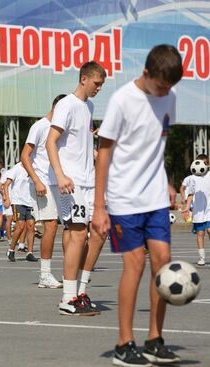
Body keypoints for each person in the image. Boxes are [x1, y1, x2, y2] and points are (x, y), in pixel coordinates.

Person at [92, 44, 183, 366]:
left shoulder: (169, 97)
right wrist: (99, 206)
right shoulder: (122, 101)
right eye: (160, 86)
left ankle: (154, 339)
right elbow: (103, 153)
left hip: (155, 196)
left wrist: (168, 182)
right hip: (124, 198)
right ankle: (123, 343)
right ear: (146, 73)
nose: (164, 92)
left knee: (163, 261)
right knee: (135, 264)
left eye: (169, 87)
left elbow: (155, 146)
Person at [46, 61, 107, 316]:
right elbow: (51, 142)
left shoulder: (88, 106)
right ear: (84, 79)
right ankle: (67, 297)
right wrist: (60, 175)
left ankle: (81, 291)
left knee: (100, 230)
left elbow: (80, 143)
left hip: (88, 180)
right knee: (78, 233)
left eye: (102, 85)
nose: (98, 89)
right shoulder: (67, 105)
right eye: (96, 84)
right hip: (70, 181)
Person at [21, 94, 67, 289]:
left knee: (72, 227)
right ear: (56, 107)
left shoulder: (61, 129)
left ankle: (70, 272)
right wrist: (36, 180)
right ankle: (45, 275)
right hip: (43, 183)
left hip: (59, 183)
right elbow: (24, 155)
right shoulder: (39, 126)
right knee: (51, 226)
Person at [3, 162, 37, 262]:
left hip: (30, 202)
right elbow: (6, 185)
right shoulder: (16, 168)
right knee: (20, 226)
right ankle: (11, 250)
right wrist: (7, 199)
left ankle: (29, 253)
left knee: (31, 226)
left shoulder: (34, 167)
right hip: (18, 202)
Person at [183, 155, 209, 267]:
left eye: (205, 163)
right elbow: (190, 194)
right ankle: (202, 257)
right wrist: (187, 207)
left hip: (209, 210)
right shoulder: (193, 178)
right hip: (198, 211)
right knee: (200, 233)